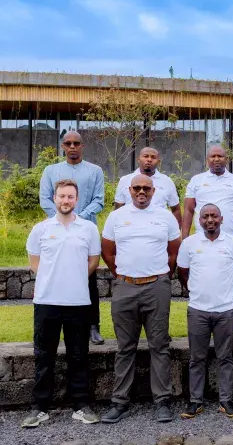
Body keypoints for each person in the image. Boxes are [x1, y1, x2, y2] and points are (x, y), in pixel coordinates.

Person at [100, 174, 181, 424]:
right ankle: (119, 401)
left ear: (154, 191)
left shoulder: (164, 216)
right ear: (129, 190)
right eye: (137, 188)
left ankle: (162, 401)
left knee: (159, 345)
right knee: (125, 347)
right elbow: (107, 251)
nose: (142, 192)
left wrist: (158, 275)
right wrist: (125, 275)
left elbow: (174, 250)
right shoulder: (117, 217)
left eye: (146, 188)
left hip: (156, 286)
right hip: (125, 287)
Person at [22, 179, 101, 428]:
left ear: (76, 200)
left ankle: (80, 405)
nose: (65, 200)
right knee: (44, 356)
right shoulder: (41, 229)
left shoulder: (88, 229)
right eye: (61, 196)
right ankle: (39, 408)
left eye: (70, 197)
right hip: (47, 301)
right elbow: (34, 262)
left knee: (79, 355)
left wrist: (74, 278)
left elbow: (93, 261)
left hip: (78, 301)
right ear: (54, 199)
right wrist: (49, 279)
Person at [177, 204, 233, 420]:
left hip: (225, 310)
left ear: (221, 219)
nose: (210, 220)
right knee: (197, 358)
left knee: (225, 357)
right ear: (199, 220)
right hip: (198, 310)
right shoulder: (189, 244)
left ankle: (225, 400)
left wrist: (224, 294)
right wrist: (198, 292)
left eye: (214, 216)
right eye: (205, 216)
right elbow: (183, 273)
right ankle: (195, 401)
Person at [39, 130, 105, 345]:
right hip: (56, 232)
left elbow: (99, 200)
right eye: (68, 143)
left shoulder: (95, 171)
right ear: (62, 146)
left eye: (77, 143)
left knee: (89, 279)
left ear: (83, 146)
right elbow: (45, 199)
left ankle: (93, 326)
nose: (73, 147)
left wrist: (79, 219)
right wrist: (61, 218)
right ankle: (54, 326)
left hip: (85, 233)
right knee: (56, 275)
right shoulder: (51, 170)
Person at [183, 144, 233, 341]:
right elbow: (188, 210)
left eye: (220, 156)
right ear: (207, 160)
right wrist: (185, 237)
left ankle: (232, 324)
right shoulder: (197, 181)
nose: (216, 160)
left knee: (231, 282)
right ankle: (201, 323)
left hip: (230, 240)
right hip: (201, 240)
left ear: (226, 159)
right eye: (212, 156)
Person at [114, 147, 182, 224]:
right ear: (138, 159)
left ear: (158, 161)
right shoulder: (125, 180)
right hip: (131, 226)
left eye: (153, 157)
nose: (149, 159)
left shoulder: (167, 181)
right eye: (146, 156)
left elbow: (176, 210)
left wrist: (176, 233)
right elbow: (118, 209)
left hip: (159, 227)